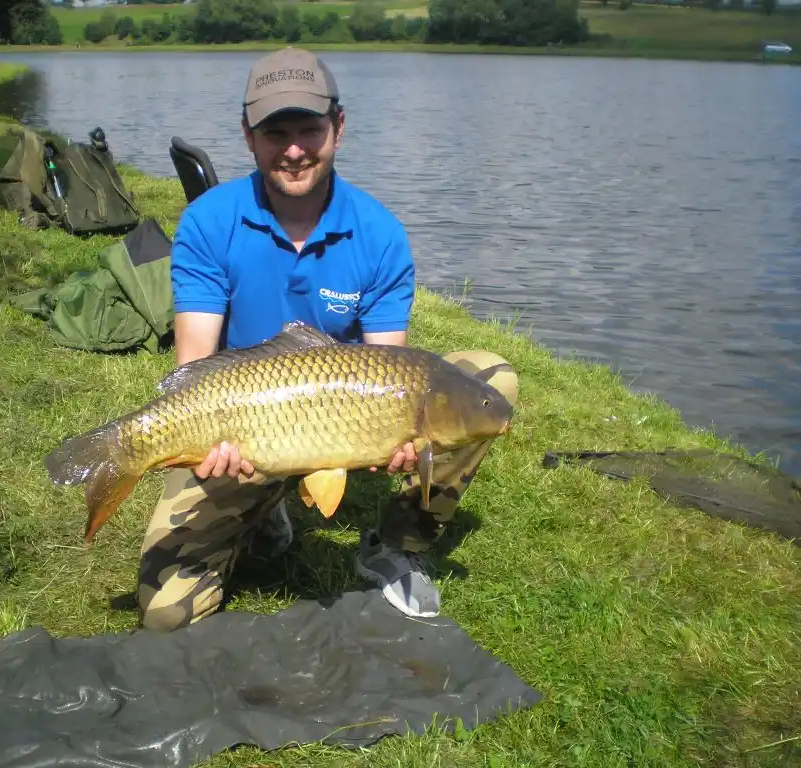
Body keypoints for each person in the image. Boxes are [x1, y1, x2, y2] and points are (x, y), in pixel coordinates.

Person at [137, 46, 519, 632]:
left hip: (339, 415)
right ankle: (262, 510)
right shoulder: (210, 220)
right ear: (248, 136)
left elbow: (391, 366)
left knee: (490, 381)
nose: (294, 149)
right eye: (275, 132)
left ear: (338, 127)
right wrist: (212, 449)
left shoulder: (379, 233)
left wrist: (400, 440)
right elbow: (192, 367)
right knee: (166, 614)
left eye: (309, 130)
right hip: (244, 422)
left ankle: (398, 543)